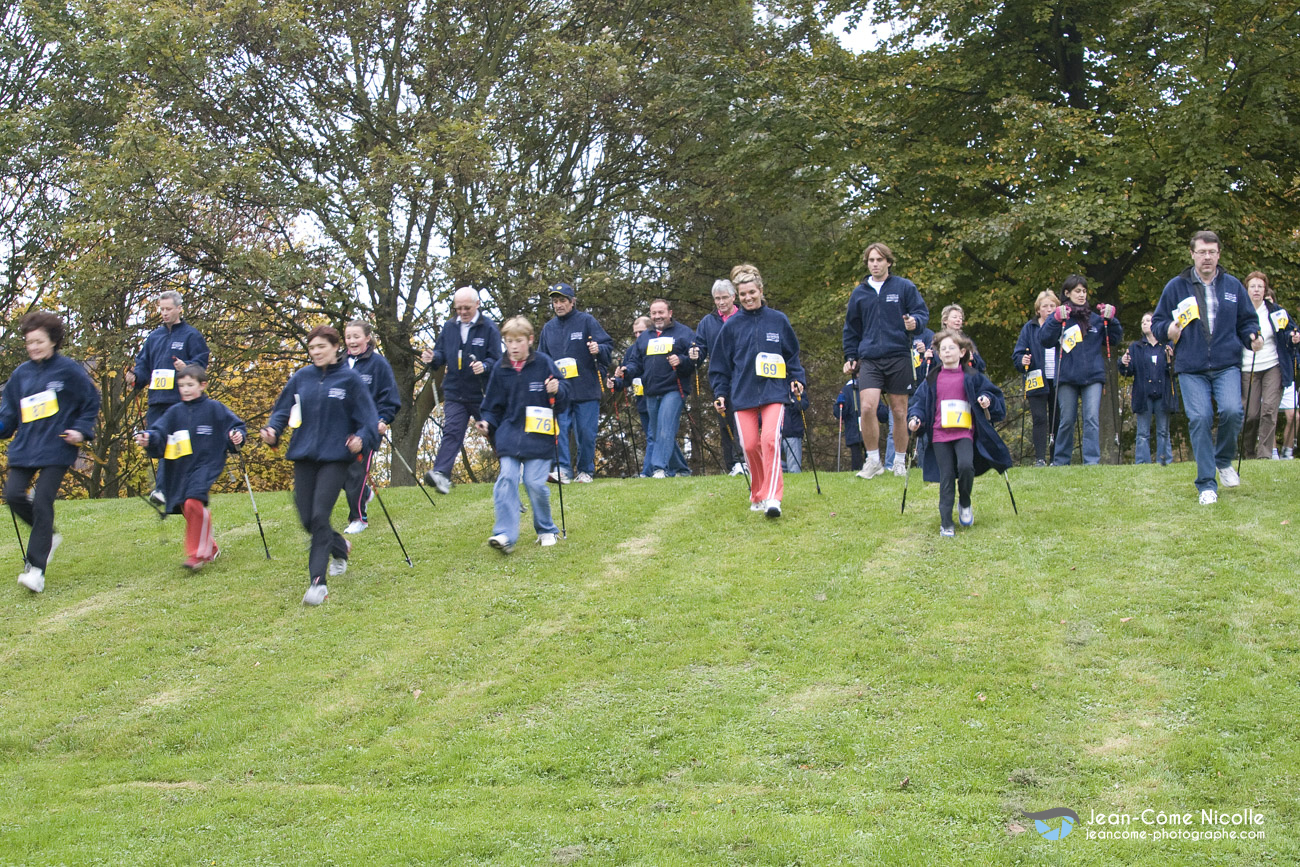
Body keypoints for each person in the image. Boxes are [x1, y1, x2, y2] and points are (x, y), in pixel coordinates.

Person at [261, 326, 380, 605]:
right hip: (304, 455)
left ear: (336, 347)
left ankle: (318, 584)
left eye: (321, 347)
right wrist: (272, 430)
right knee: (307, 520)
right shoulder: (302, 377)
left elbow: (369, 421)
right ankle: (339, 546)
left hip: (335, 458)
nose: (316, 352)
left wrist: (361, 439)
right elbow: (281, 410)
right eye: (312, 348)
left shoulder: (350, 379)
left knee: (319, 516)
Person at [1151, 231, 1261, 504]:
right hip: (1191, 366)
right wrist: (1169, 330)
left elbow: (1247, 320)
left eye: (1212, 252)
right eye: (1202, 252)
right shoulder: (1176, 286)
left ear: (1219, 254)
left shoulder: (1233, 286)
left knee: (1233, 411)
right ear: (1192, 254)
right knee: (1200, 419)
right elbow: (1157, 323)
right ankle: (1206, 485)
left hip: (1226, 364)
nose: (1207, 257)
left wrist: (1252, 336)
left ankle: (1222, 460)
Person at [0, 312, 101, 593]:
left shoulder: (68, 370)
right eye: (29, 342)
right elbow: (8, 415)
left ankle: (36, 570)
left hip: (58, 446)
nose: (33, 347)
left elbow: (91, 400)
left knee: (43, 501)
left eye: (39, 342)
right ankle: (48, 536)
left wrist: (81, 430)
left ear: (53, 341)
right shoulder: (20, 375)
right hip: (26, 447)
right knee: (13, 495)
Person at [709, 264, 806, 517]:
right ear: (737, 297)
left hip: (775, 392)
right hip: (743, 395)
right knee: (750, 445)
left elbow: (792, 355)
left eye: (752, 292)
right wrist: (720, 393)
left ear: (761, 291)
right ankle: (758, 493)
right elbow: (720, 365)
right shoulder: (731, 326)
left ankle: (773, 497)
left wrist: (797, 379)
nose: (748, 298)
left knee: (770, 439)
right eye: (743, 294)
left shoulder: (778, 320)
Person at [134, 365, 246, 569]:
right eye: (181, 386)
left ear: (202, 385)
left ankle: (197, 555)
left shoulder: (215, 409)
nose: (185, 390)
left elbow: (235, 427)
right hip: (180, 467)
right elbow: (159, 432)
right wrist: (148, 438)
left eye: (190, 385)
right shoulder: (174, 412)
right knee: (186, 506)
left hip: (206, 464)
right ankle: (211, 547)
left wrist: (236, 435)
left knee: (193, 501)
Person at [476, 316, 568, 552]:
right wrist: (487, 422)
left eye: (518, 341)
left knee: (534, 483)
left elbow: (564, 398)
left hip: (539, 435)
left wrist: (557, 389)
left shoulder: (544, 363)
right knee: (507, 478)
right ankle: (504, 535)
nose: (514, 346)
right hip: (509, 434)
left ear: (530, 340)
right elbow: (492, 406)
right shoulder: (500, 368)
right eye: (509, 341)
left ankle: (546, 529)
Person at [907, 330, 1011, 537]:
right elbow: (919, 403)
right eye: (943, 349)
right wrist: (915, 418)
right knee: (946, 476)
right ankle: (946, 522)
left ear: (962, 352)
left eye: (951, 348)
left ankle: (965, 501)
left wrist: (986, 400)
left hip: (964, 433)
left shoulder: (972, 376)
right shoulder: (932, 378)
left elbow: (991, 394)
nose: (947, 352)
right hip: (940, 435)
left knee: (965, 466)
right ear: (938, 353)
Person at [842, 242, 929, 479]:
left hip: (898, 355)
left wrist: (915, 323)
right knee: (867, 407)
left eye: (879, 260)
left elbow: (922, 313)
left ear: (888, 262)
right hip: (869, 359)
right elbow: (851, 329)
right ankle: (873, 461)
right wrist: (850, 356)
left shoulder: (904, 287)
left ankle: (899, 462)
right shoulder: (859, 293)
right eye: (871, 260)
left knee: (899, 412)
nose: (875, 264)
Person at [126, 290, 209, 504]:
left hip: (181, 401)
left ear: (179, 309)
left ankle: (163, 490)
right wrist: (135, 377)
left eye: (168, 309)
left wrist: (187, 367)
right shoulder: (154, 337)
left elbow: (201, 364)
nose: (164, 313)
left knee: (172, 442)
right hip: (157, 400)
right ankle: (176, 488)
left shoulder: (191, 335)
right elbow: (143, 365)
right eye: (161, 309)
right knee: (157, 443)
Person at [420, 286, 502, 494]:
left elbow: (498, 360)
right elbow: (441, 353)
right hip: (455, 392)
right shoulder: (449, 327)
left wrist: (485, 366)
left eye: (467, 308)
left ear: (477, 304)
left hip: (482, 393)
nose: (463, 312)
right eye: (459, 308)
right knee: (452, 431)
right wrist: (433, 357)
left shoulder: (489, 328)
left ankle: (512, 470)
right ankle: (441, 474)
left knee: (493, 431)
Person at [1038, 275, 1122, 466]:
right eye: (1077, 291)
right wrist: (1055, 320)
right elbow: (1044, 339)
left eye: (1084, 291)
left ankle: (1091, 462)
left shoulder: (1096, 319)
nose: (1082, 294)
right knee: (1067, 419)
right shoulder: (1061, 318)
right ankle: (1061, 461)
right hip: (1067, 377)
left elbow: (1114, 339)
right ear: (1067, 293)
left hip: (1093, 376)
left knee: (1091, 418)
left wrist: (1112, 320)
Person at [538, 282, 612, 484]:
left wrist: (599, 349)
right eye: (555, 301)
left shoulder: (587, 321)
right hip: (560, 391)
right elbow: (542, 358)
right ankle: (562, 470)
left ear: (572, 302)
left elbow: (607, 346)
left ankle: (585, 470)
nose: (558, 305)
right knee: (560, 431)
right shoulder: (548, 328)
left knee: (586, 434)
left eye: (562, 300)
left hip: (586, 388)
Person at [617, 299, 696, 478]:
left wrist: (682, 360)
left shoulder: (684, 333)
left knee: (665, 428)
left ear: (670, 313)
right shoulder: (645, 337)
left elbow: (695, 359)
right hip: (651, 391)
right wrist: (626, 371)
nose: (657, 316)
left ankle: (659, 468)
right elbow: (635, 363)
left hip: (674, 388)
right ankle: (682, 469)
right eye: (654, 313)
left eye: (661, 312)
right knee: (659, 432)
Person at [342, 321, 401, 534]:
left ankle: (358, 518)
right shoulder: (338, 362)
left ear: (367, 338)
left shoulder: (378, 364)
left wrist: (383, 419)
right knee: (335, 470)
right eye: (348, 337)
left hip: (367, 428)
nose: (352, 341)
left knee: (356, 473)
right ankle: (365, 493)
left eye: (356, 336)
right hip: (339, 427)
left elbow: (389, 396)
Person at [1239, 272, 1298, 460]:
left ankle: (1264, 455)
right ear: (1246, 289)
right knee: (1251, 415)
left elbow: (1290, 330)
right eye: (1253, 286)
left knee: (1269, 410)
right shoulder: (1239, 311)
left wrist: (1293, 337)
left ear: (1265, 290)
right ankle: (1248, 452)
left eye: (1260, 287)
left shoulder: (1275, 311)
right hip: (1248, 368)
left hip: (1273, 365)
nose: (1256, 290)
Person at [690, 279, 745, 475]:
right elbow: (700, 346)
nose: (721, 302)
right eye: (717, 299)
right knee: (725, 420)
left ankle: (743, 461)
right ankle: (732, 465)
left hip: (744, 375)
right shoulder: (707, 322)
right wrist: (695, 354)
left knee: (742, 419)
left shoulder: (744, 317)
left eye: (724, 298)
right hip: (720, 377)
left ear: (733, 297)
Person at [1119, 314, 1175, 466]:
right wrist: (1123, 362)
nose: (1144, 323)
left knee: (1163, 430)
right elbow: (1128, 370)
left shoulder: (1167, 345)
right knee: (1143, 432)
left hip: (1163, 393)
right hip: (1143, 394)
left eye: (1148, 321)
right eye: (1142, 321)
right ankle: (1143, 462)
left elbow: (1173, 370)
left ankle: (1164, 461)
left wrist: (1171, 359)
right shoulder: (1135, 347)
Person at [1011, 290, 1059, 466]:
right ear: (1038, 310)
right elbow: (1018, 353)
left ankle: (1056, 458)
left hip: (1058, 378)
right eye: (1045, 306)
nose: (1049, 309)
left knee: (1057, 418)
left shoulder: (1062, 326)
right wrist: (1022, 360)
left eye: (1052, 306)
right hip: (1036, 377)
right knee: (1039, 417)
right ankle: (1040, 458)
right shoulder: (1029, 328)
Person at [935, 304, 986, 372]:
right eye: (955, 317)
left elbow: (982, 366)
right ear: (945, 320)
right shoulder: (938, 341)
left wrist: (973, 359)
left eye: (960, 318)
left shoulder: (966, 341)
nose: (958, 320)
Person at [833, 380, 865, 471]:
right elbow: (839, 413)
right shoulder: (847, 390)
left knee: (869, 456)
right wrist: (840, 405)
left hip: (861, 430)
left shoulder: (869, 386)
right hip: (854, 431)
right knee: (857, 459)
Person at [781, 389, 808, 473]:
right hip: (775, 433)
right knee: (770, 462)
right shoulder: (775, 388)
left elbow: (803, 405)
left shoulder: (797, 388)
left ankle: (792, 474)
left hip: (792, 434)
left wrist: (793, 399)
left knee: (794, 467)